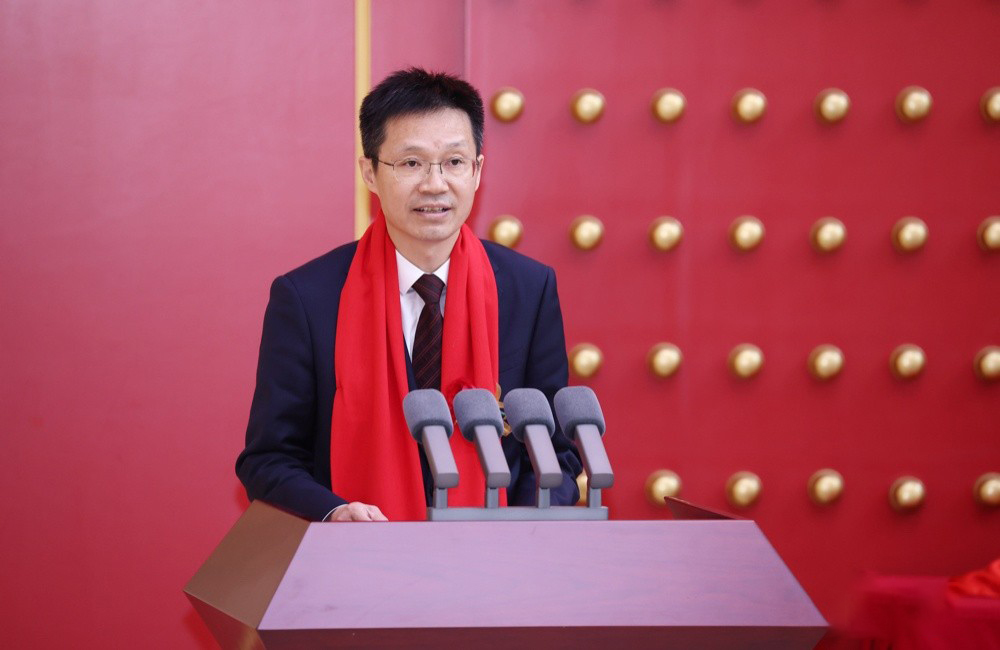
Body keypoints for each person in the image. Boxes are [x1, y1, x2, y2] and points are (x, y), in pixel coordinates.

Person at [236, 68, 581, 522]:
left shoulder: (528, 289)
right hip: (357, 554)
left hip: (496, 555)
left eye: (454, 162)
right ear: (370, 173)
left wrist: (517, 530)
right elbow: (268, 460)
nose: (435, 184)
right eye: (411, 163)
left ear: (477, 171)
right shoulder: (307, 298)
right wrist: (335, 513)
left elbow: (555, 452)